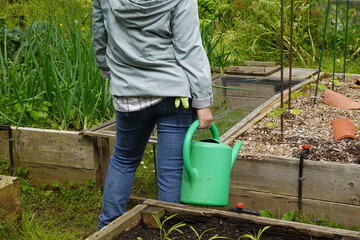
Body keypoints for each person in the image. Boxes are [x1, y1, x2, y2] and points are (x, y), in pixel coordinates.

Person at [92, 0, 213, 229]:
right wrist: (203, 101)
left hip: (128, 93)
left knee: (124, 160)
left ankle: (107, 227)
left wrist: (107, 70)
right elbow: (190, 48)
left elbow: (100, 35)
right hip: (173, 93)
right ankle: (167, 230)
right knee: (171, 169)